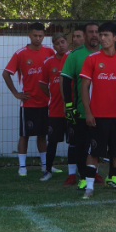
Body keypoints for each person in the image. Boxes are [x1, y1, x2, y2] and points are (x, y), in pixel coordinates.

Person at [78, 22, 116, 199]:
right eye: (101, 34)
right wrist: (88, 112)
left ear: (115, 38)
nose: (102, 38)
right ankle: (89, 188)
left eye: (106, 35)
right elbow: (84, 88)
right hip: (97, 116)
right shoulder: (92, 59)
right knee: (93, 152)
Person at [3, 22, 55, 176]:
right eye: (35, 35)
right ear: (29, 35)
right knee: (25, 135)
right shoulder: (21, 54)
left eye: (40, 36)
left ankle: (45, 165)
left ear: (44, 36)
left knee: (42, 134)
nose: (38, 38)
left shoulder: (49, 51)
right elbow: (6, 73)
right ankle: (22, 167)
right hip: (29, 103)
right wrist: (16, 93)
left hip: (46, 102)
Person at [61, 23, 102, 188]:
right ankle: (83, 177)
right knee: (80, 146)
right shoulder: (75, 55)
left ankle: (94, 173)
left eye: (97, 32)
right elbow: (66, 81)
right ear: (84, 35)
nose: (94, 35)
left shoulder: (106, 52)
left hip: (103, 110)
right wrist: (69, 105)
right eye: (90, 32)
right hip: (81, 111)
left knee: (98, 145)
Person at [38, 32, 70, 181]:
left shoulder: (73, 58)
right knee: (52, 142)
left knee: (75, 142)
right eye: (57, 43)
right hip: (55, 109)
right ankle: (48, 170)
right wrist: (52, 94)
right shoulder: (48, 62)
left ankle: (75, 171)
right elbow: (42, 84)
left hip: (71, 108)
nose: (60, 45)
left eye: (62, 42)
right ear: (54, 46)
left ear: (67, 42)